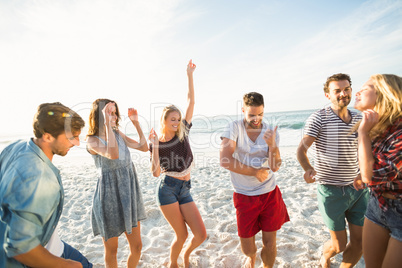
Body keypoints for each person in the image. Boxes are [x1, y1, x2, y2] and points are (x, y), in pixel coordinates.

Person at [0, 102, 92, 268]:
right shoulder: (36, 176)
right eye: (71, 137)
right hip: (33, 258)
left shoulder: (16, 147)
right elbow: (21, 248)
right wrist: (67, 266)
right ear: (48, 136)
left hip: (52, 244)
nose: (77, 142)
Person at [296, 73, 369, 267]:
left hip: (358, 189)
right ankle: (325, 256)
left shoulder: (359, 118)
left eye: (346, 89)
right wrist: (308, 169)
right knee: (339, 246)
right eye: (337, 91)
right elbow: (301, 150)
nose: (343, 94)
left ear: (351, 91)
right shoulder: (319, 118)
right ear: (328, 95)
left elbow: (364, 150)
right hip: (331, 191)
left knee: (360, 243)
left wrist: (364, 173)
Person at [220, 92, 289, 268]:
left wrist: (273, 145)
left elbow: (275, 166)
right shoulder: (233, 128)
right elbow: (225, 159)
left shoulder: (270, 130)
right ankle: (251, 257)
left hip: (269, 193)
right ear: (243, 110)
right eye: (251, 115)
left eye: (260, 114)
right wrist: (254, 172)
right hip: (244, 195)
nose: (256, 119)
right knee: (248, 248)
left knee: (270, 243)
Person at [149, 60, 207, 268]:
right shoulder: (159, 143)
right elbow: (155, 173)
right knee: (181, 235)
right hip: (167, 189)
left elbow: (191, 102)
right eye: (172, 119)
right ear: (164, 120)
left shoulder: (183, 131)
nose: (176, 122)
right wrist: (154, 146)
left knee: (200, 234)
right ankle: (174, 262)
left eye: (178, 118)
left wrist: (189, 75)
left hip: (185, 189)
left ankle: (186, 255)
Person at [86, 99, 148, 268]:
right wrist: (107, 124)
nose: (113, 116)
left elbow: (144, 147)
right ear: (99, 115)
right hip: (108, 197)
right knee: (112, 251)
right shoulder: (92, 141)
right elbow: (112, 154)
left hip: (129, 192)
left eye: (114, 113)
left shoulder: (117, 133)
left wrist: (136, 123)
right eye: (109, 113)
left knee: (137, 246)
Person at [354, 74, 402, 268]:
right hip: (378, 203)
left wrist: (363, 134)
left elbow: (370, 175)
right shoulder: (380, 127)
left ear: (384, 95)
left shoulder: (398, 133)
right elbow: (369, 171)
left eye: (365, 89)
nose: (357, 92)